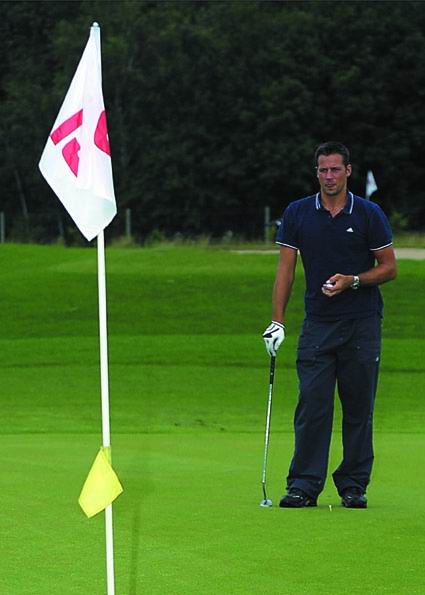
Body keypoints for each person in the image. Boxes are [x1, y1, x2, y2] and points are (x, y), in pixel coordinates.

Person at [262, 141, 397, 509]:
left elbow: (389, 267)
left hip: (362, 323)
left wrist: (353, 280)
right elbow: (285, 270)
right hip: (318, 325)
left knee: (358, 408)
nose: (329, 176)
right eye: (323, 170)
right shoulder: (298, 213)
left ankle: (353, 485)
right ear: (317, 172)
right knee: (313, 406)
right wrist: (277, 322)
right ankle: (304, 485)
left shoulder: (368, 213)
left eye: (335, 169)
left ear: (348, 171)